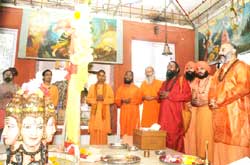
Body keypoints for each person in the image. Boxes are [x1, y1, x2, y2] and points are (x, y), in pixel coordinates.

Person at [208, 43, 250, 165]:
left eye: (224, 48)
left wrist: (220, 100)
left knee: (236, 148)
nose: (220, 51)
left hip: (236, 116)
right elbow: (212, 88)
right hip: (219, 116)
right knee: (220, 148)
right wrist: (211, 101)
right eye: (220, 49)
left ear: (234, 50)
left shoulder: (242, 67)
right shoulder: (218, 71)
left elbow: (243, 87)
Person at [158, 61, 191, 152]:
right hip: (163, 118)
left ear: (177, 70)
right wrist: (160, 94)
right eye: (168, 66)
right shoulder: (164, 83)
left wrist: (170, 95)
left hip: (175, 117)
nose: (169, 68)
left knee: (175, 139)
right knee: (163, 138)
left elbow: (188, 95)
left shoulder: (182, 80)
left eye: (172, 66)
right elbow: (159, 96)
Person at [192, 61, 214, 162]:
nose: (199, 71)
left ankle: (209, 160)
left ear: (207, 69)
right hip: (199, 112)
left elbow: (217, 96)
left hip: (209, 112)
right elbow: (192, 98)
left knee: (208, 136)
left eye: (202, 68)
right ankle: (201, 159)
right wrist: (194, 101)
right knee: (199, 136)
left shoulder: (213, 80)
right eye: (198, 69)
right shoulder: (196, 81)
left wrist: (205, 102)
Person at [87, 70, 114, 144]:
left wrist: (103, 99)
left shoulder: (108, 87)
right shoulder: (92, 87)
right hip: (94, 115)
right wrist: (96, 99)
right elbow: (88, 100)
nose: (101, 77)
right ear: (97, 76)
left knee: (103, 131)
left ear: (105, 77)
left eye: (103, 76)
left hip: (104, 116)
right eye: (100, 75)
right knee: (94, 131)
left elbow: (112, 100)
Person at [115, 71, 142, 138]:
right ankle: (124, 145)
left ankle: (132, 146)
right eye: (126, 75)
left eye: (130, 75)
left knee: (133, 130)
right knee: (124, 130)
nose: (128, 77)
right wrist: (122, 100)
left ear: (132, 78)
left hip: (133, 113)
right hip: (124, 113)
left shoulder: (136, 89)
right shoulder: (120, 88)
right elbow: (116, 100)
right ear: (124, 76)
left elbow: (140, 100)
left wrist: (130, 101)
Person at [183, 61, 197, 155]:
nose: (189, 70)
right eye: (187, 68)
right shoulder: (183, 81)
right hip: (184, 110)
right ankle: (186, 153)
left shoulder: (199, 80)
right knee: (185, 132)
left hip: (196, 110)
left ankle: (194, 154)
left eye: (191, 68)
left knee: (194, 132)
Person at [0, 67, 19, 139]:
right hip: (1, 112)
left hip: (13, 113)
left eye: (9, 74)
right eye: (6, 74)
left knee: (11, 130)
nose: (8, 75)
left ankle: (9, 148)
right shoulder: (0, 87)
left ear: (13, 76)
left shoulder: (17, 87)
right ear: (3, 76)